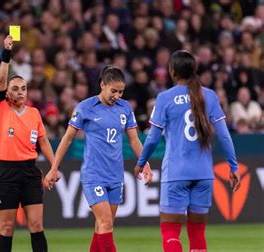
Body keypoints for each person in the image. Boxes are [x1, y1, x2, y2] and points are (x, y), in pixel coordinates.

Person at [133, 50, 241, 252]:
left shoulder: (164, 98)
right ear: (194, 70)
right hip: (203, 174)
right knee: (197, 233)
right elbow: (224, 136)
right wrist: (233, 166)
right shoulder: (209, 96)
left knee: (170, 231)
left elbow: (153, 138)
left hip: (176, 173)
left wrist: (141, 163)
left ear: (172, 71)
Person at [44, 66, 153, 252]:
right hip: (94, 174)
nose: (117, 95)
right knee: (105, 223)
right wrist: (54, 167)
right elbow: (67, 139)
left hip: (116, 175)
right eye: (113, 91)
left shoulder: (125, 108)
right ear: (102, 85)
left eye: (121, 92)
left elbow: (134, 139)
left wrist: (145, 163)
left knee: (102, 226)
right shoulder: (85, 108)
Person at [0, 35, 55, 252]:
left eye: (23, 88)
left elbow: (44, 141)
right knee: (7, 227)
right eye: (15, 88)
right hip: (5, 171)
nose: (20, 92)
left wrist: (53, 167)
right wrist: (6, 53)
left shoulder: (34, 114)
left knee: (36, 225)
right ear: (7, 92)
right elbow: (0, 80)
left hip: (29, 171)